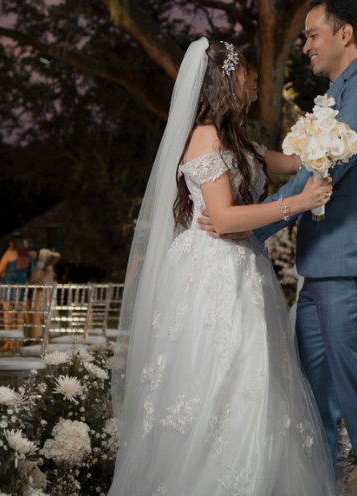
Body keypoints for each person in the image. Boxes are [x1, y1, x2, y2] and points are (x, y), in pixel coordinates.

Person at [108, 39, 336, 496]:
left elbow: (295, 162)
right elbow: (225, 218)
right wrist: (298, 203)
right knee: (221, 375)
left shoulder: (239, 141)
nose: (255, 79)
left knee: (257, 376)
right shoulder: (204, 136)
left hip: (244, 268)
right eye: (247, 72)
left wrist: (327, 137)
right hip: (212, 272)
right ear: (228, 80)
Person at [245, 2, 357, 493]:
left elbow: (322, 172)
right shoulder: (338, 93)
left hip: (353, 266)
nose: (306, 46)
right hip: (320, 268)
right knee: (312, 402)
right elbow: (301, 167)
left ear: (345, 34)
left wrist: (247, 230)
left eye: (313, 35)